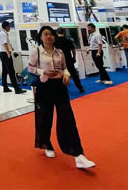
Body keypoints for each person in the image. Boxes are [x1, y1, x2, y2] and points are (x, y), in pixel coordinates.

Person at [27, 26, 95, 169]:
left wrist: (66, 75)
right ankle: (46, 143)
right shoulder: (36, 52)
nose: (49, 37)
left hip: (60, 87)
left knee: (67, 118)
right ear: (41, 37)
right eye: (46, 34)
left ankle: (78, 155)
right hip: (44, 87)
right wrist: (43, 71)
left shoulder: (60, 52)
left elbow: (65, 67)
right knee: (45, 117)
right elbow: (30, 68)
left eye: (51, 34)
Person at [0, 21, 26, 94]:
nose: (10, 28)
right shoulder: (3, 33)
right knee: (11, 71)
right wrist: (8, 53)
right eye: (9, 26)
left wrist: (11, 48)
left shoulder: (3, 33)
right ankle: (16, 89)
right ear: (7, 27)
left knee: (5, 71)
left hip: (3, 53)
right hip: (5, 54)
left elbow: (6, 44)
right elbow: (4, 44)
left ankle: (5, 87)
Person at [56, 27, 84, 93]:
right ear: (64, 32)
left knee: (59, 74)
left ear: (57, 32)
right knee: (74, 74)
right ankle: (80, 87)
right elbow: (73, 50)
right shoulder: (68, 40)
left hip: (59, 60)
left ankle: (61, 89)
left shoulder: (55, 41)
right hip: (68, 59)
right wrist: (74, 58)